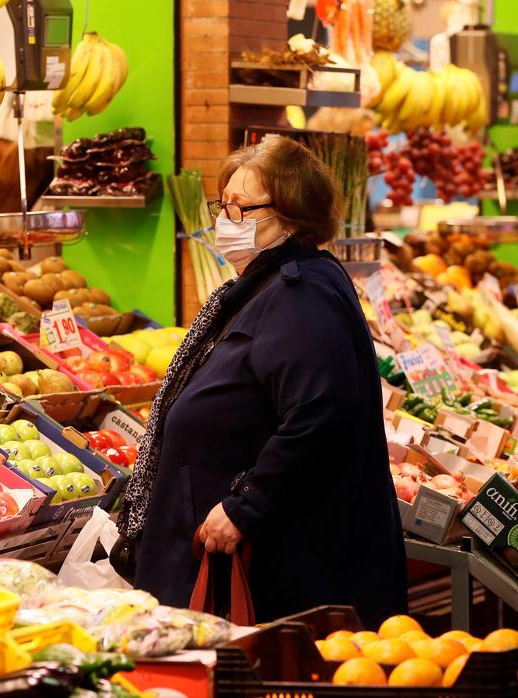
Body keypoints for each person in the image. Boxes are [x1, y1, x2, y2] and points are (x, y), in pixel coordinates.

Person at [116, 135, 407, 626]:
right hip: (248, 557)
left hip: (283, 574)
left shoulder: (302, 294)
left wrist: (246, 506)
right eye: (222, 205)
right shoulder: (267, 285)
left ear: (291, 214)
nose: (225, 221)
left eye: (242, 208)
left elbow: (321, 414)